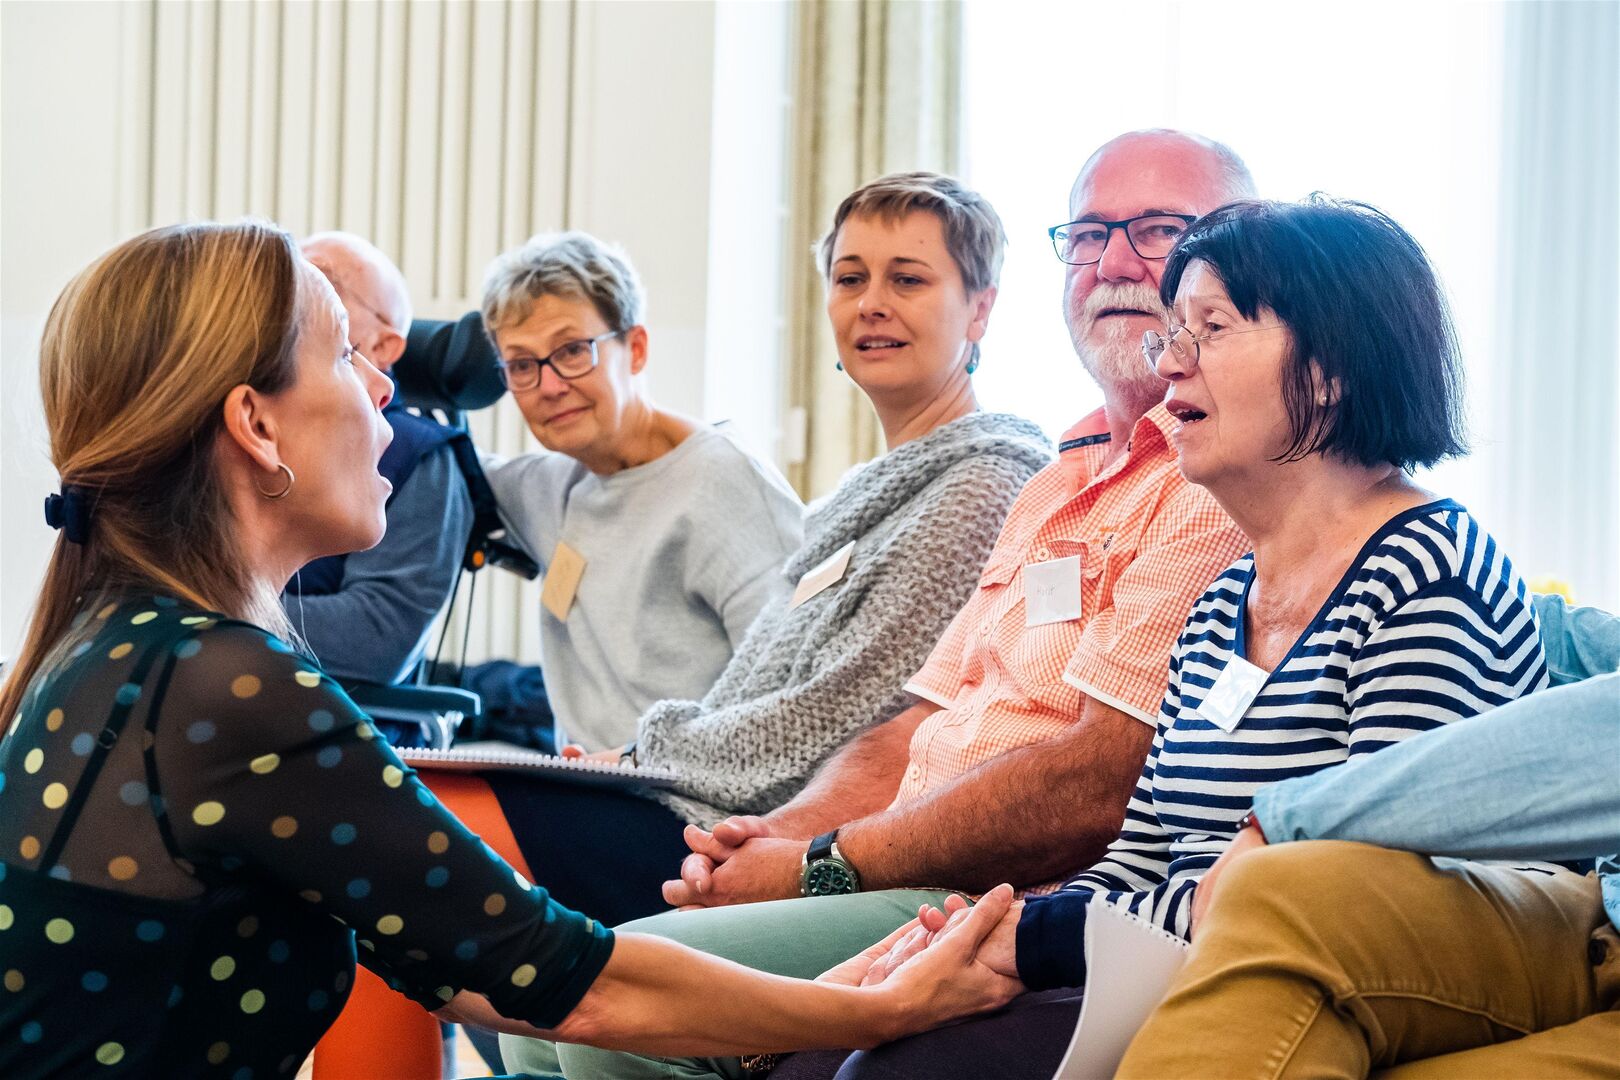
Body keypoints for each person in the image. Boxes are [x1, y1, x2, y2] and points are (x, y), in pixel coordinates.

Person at [0, 221, 1033, 1080]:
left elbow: (487, 968)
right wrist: (877, 1007)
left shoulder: (101, 653)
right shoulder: (224, 687)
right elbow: (565, 978)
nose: (388, 402)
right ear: (257, 429)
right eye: (352, 364)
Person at [533, 128, 1255, 1080]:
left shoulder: (1213, 475)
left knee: (601, 1024)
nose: (1115, 263)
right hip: (881, 856)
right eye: (1088, 235)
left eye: (1158, 230)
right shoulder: (1060, 479)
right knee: (534, 1018)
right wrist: (789, 833)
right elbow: (917, 719)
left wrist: (817, 858)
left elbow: (1096, 780)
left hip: (1002, 893)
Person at [804, 197, 1562, 1080]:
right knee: (841, 1045)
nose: (1170, 364)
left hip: (1321, 981)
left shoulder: (1428, 569)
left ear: (1329, 370)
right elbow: (1148, 843)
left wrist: (1033, 941)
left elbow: (1357, 892)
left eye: (1211, 329)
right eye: (1175, 332)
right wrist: (991, 936)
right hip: (1172, 960)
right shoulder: (1231, 592)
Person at [582, 172, 1053, 833]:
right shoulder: (858, 497)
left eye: (908, 280)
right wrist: (630, 763)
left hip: (759, 840)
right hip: (697, 806)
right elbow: (759, 694)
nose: (871, 304)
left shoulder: (980, 489)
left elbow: (841, 715)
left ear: (980, 310)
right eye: (850, 279)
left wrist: (646, 755)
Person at [1116, 593, 1619, 1079]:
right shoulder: (1224, 603)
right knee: (1287, 892)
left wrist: (1293, 814)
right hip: (1600, 912)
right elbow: (1574, 649)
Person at [478, 231, 804, 757]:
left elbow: (791, 697)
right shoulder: (551, 484)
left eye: (572, 351)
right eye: (521, 364)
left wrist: (638, 760)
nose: (550, 384)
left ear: (636, 349)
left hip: (698, 803)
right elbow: (444, 462)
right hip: (591, 790)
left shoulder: (723, 483)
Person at [281, 232, 474, 688]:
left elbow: (375, 639)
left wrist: (198, 606)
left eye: (324, 280)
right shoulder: (252, 424)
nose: (299, 291)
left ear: (386, 348)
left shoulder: (419, 458)